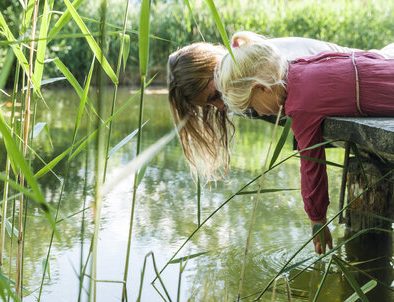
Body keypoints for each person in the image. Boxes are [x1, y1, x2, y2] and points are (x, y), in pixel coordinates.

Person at [213, 33, 394, 254]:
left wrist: (317, 218)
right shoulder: (299, 65)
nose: (258, 113)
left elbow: (311, 166)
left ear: (262, 88)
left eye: (252, 106)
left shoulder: (299, 106)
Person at [167, 32, 394, 179]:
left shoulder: (270, 67)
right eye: (209, 107)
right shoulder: (246, 82)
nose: (220, 107)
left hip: (379, 74)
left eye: (215, 96)